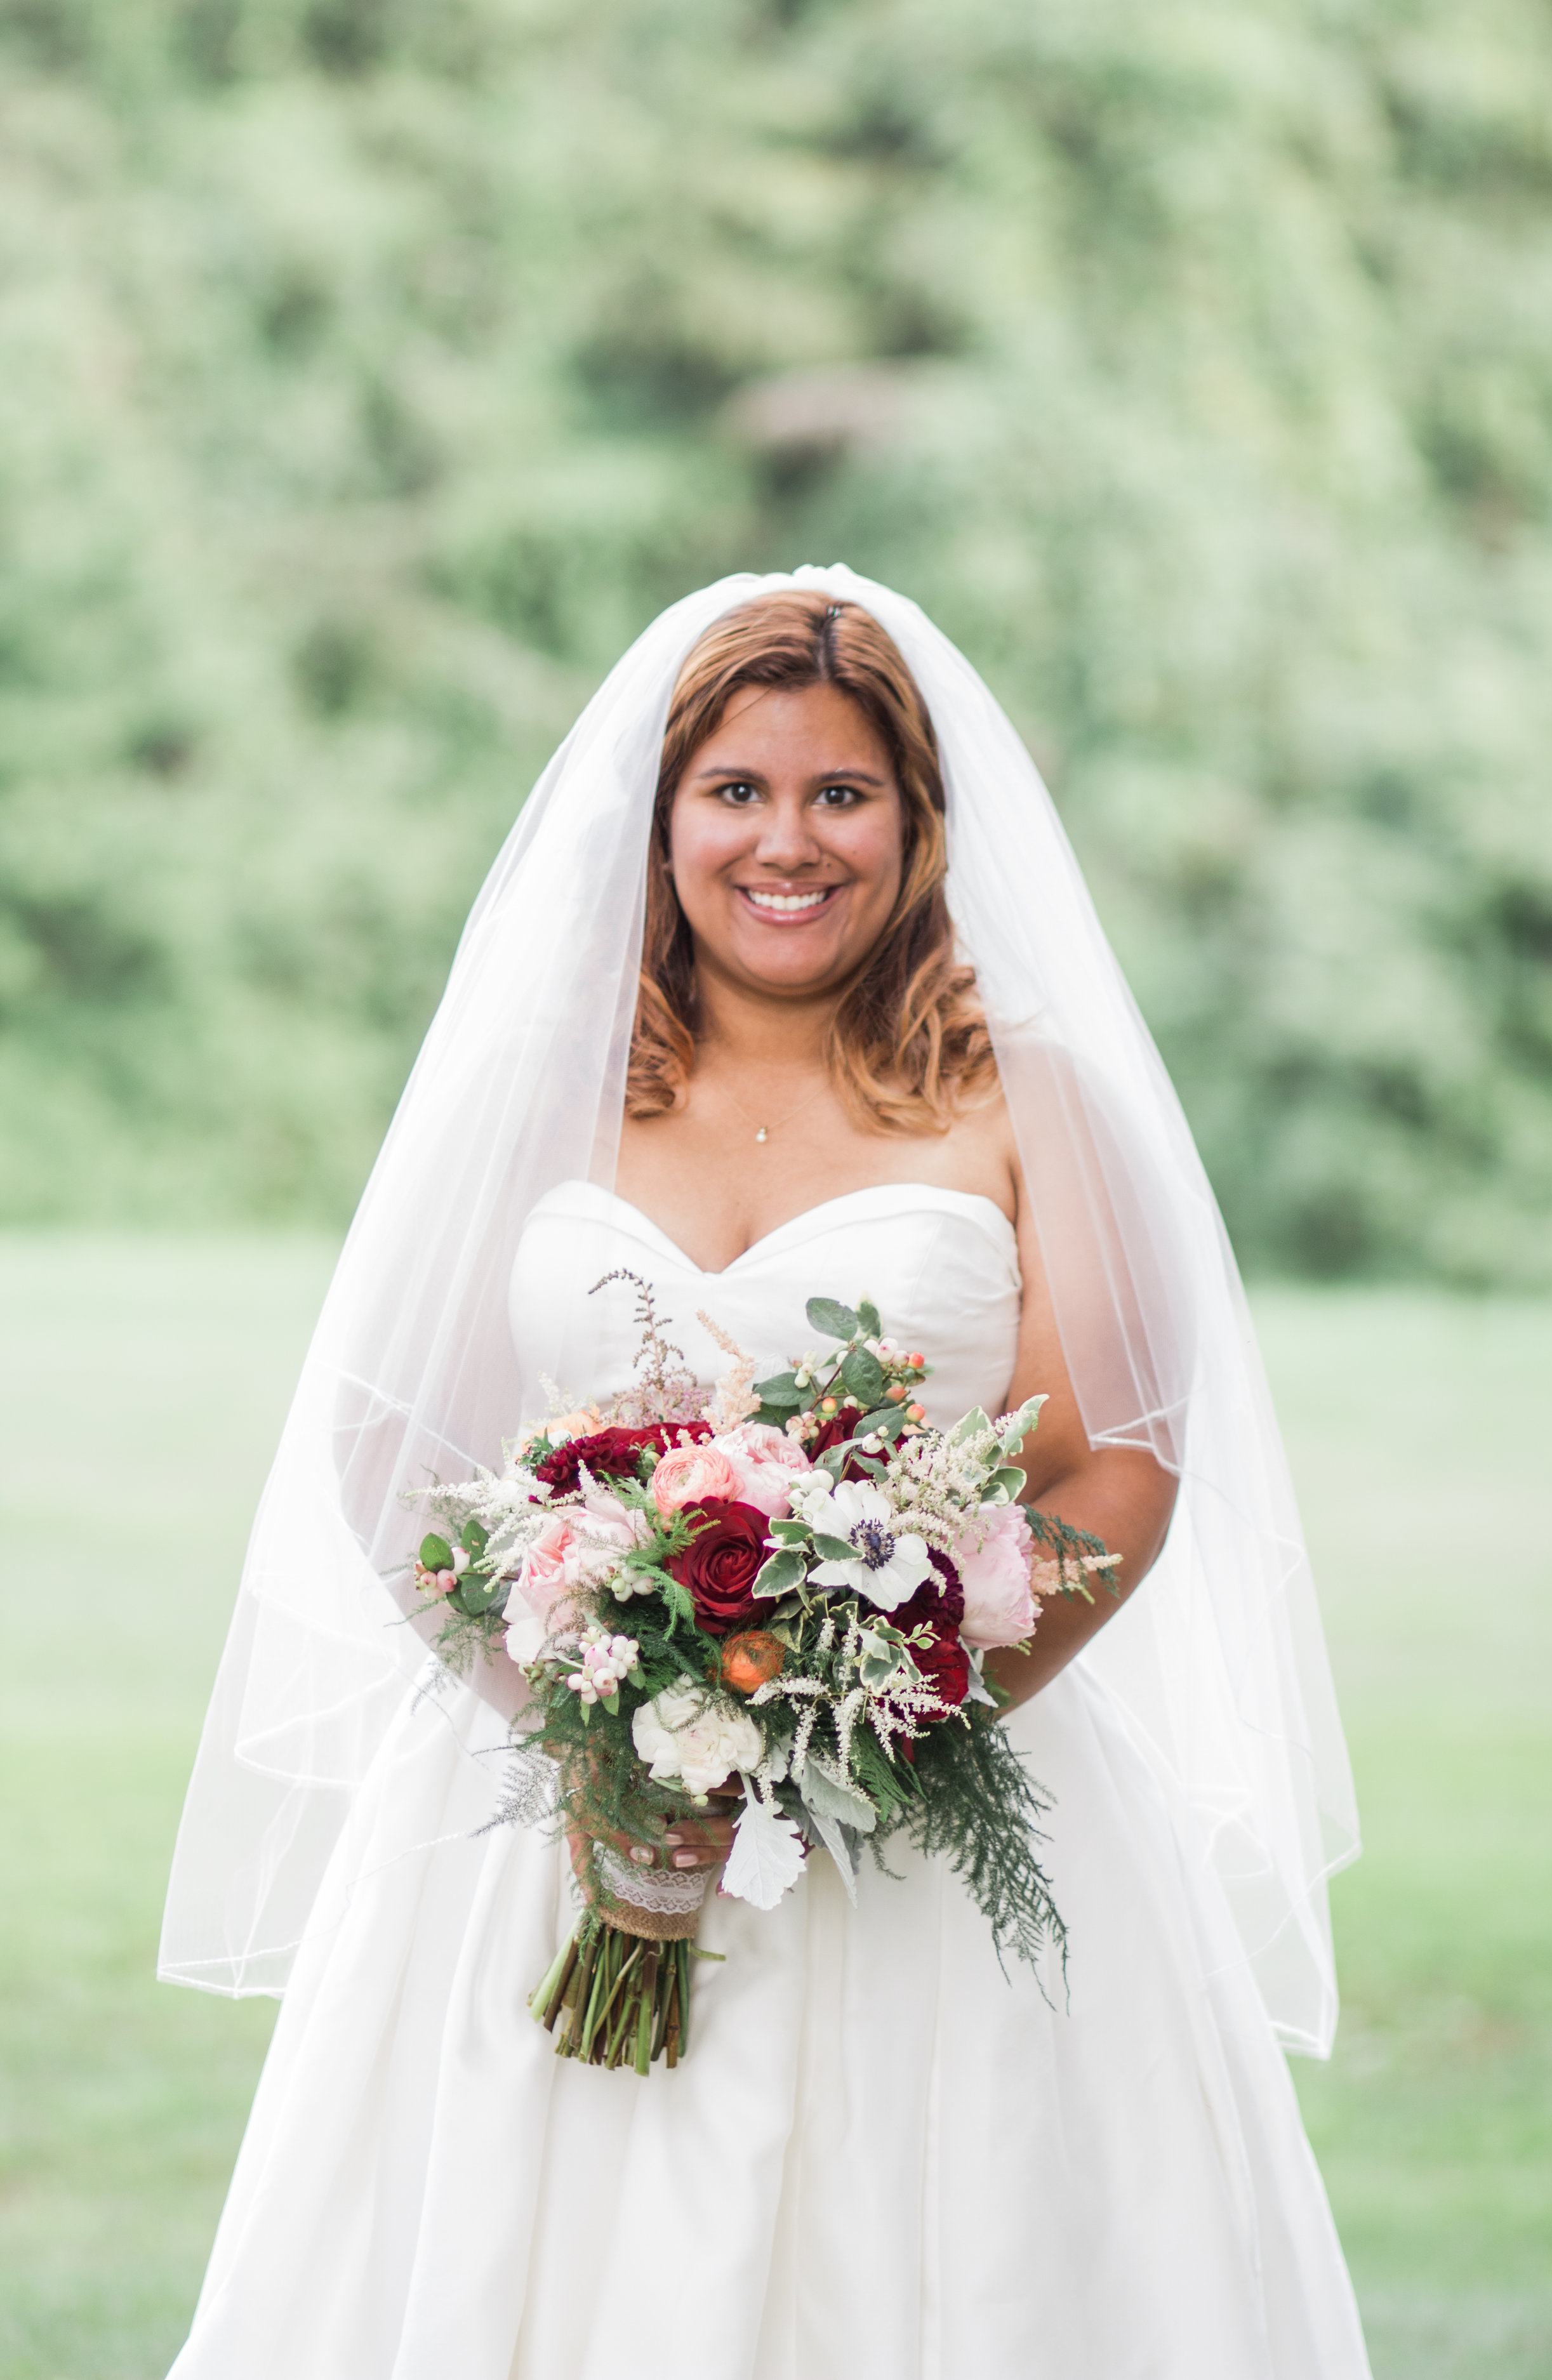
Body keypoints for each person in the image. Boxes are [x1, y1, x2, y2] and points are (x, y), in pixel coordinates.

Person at [162, 571, 1372, 2378]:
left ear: (917, 821)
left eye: (838, 794)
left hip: (937, 1832)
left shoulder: (1026, 1096)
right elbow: (390, 1451)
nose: (783, 842)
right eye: (734, 791)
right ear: (659, 823)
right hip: (543, 1826)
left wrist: (876, 1716)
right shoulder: (540, 1085)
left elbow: (1114, 1475)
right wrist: (592, 1734)